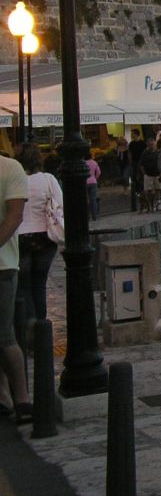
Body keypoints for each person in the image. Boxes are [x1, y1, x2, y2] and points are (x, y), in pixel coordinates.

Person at [0, 150, 31, 424]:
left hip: (2, 266)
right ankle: (4, 397)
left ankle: (21, 399)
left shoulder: (10, 168)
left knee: (4, 335)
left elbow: (14, 216)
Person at [15, 144, 61, 323]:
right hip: (45, 236)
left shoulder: (15, 180)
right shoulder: (48, 179)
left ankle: (28, 324)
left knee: (23, 285)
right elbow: (60, 204)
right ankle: (41, 327)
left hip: (20, 235)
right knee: (39, 284)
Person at [128, 128, 147, 210]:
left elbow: (145, 152)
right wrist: (131, 162)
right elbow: (129, 153)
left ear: (136, 134)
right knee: (135, 178)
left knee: (142, 178)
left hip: (142, 163)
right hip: (135, 163)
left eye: (132, 133)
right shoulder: (131, 144)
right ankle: (138, 192)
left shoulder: (142, 143)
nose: (131, 135)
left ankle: (143, 193)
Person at [85, 151, 102, 221]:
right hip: (93, 182)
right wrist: (95, 178)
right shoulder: (94, 162)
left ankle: (87, 216)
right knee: (93, 199)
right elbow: (99, 172)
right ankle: (94, 216)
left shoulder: (83, 163)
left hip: (85, 182)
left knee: (86, 200)